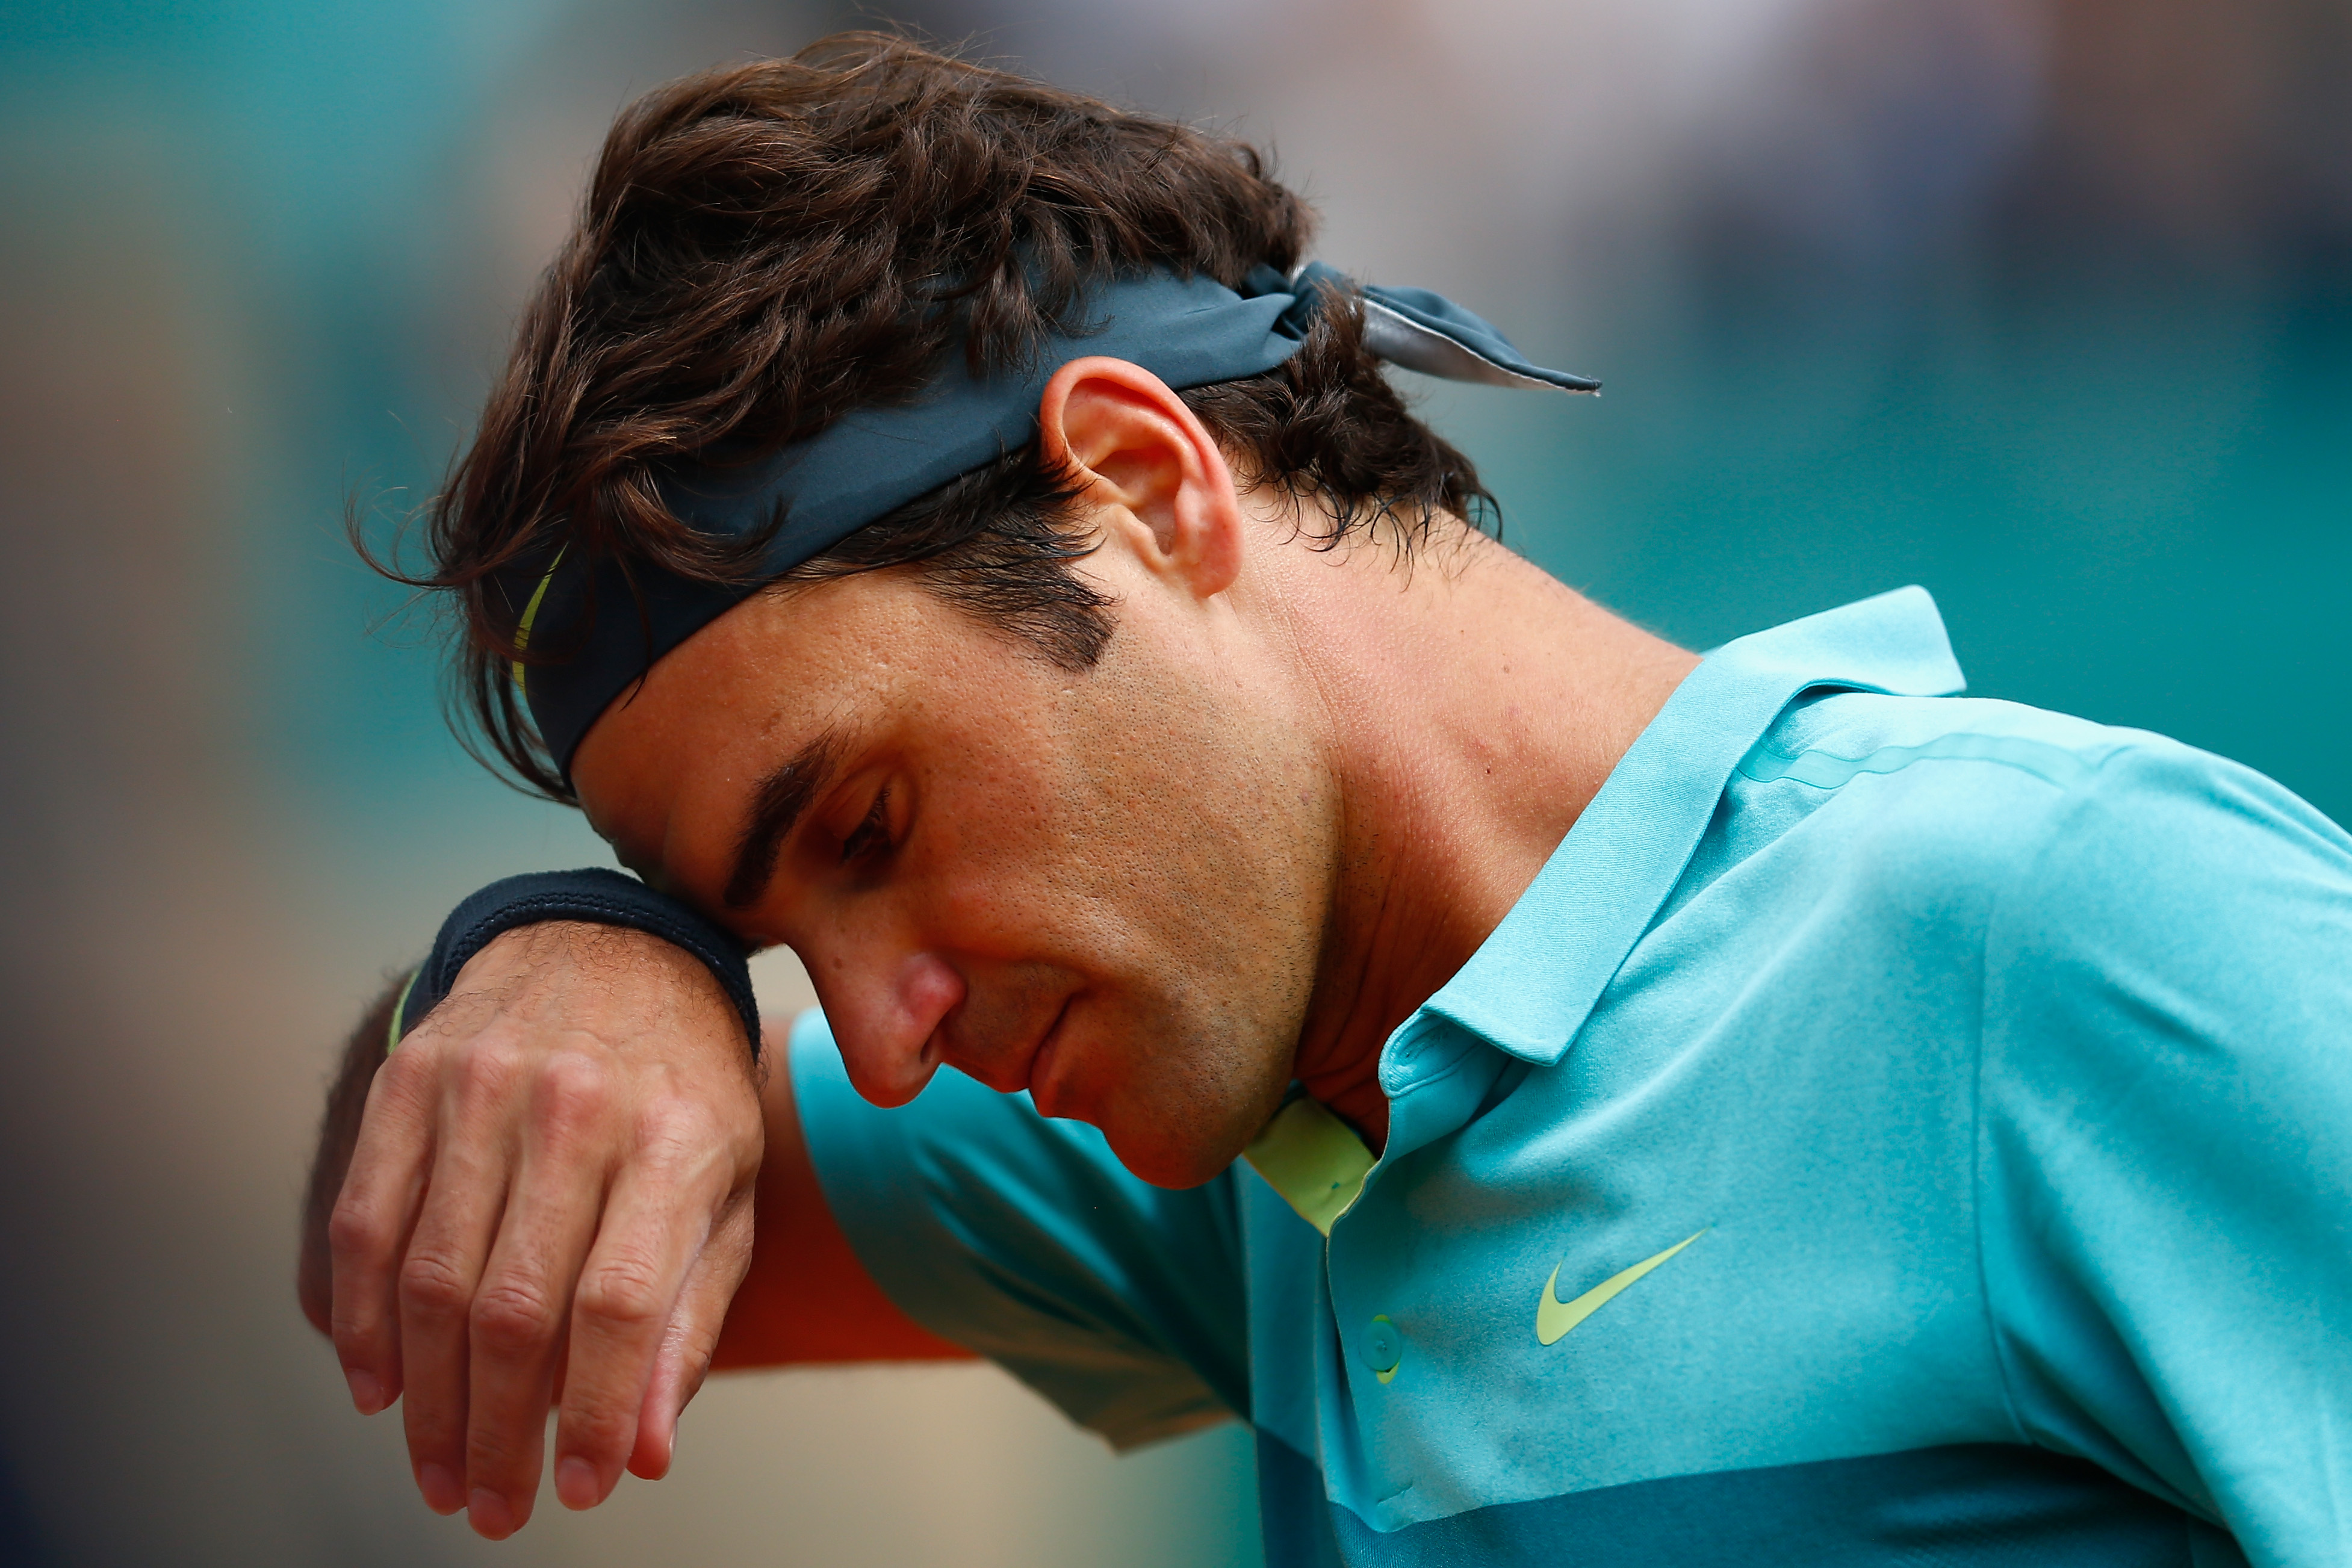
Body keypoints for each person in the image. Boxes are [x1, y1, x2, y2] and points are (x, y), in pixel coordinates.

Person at [297, 32, 2352, 1565]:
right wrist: (580, 967)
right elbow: (408, 1223)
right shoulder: (1214, 1115)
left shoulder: (2075, 938)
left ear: (1143, 484)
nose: (889, 1044)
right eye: (775, 939)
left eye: (862, 832)